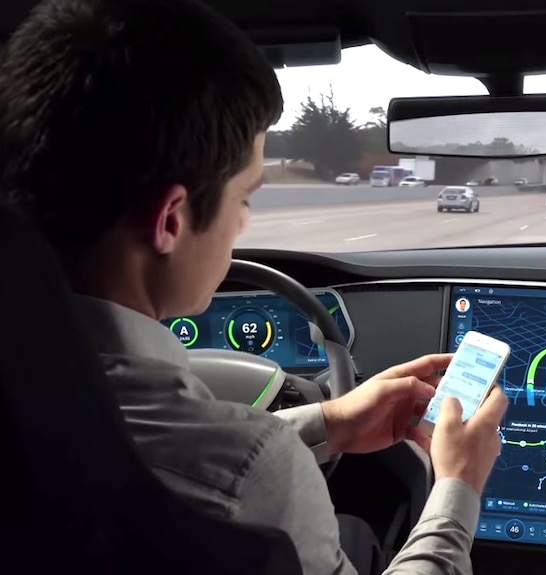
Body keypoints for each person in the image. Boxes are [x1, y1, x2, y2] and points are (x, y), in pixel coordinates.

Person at [0, 1, 509, 574]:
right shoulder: (254, 472)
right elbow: (218, 471)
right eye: (244, 198)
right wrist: (458, 488)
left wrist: (329, 422)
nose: (244, 224)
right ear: (170, 220)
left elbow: (146, 454)